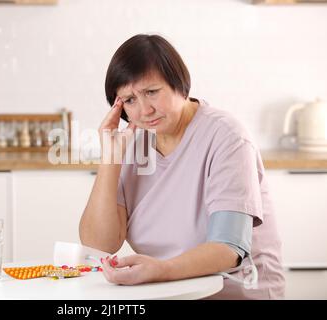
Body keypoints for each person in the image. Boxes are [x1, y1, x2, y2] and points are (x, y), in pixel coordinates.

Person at [79, 34, 285, 299]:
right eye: (129, 100)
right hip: (170, 291)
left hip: (234, 293)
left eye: (151, 92)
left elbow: (228, 247)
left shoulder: (227, 136)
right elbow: (99, 245)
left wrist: (161, 270)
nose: (144, 110)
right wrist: (109, 159)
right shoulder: (131, 145)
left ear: (180, 85)